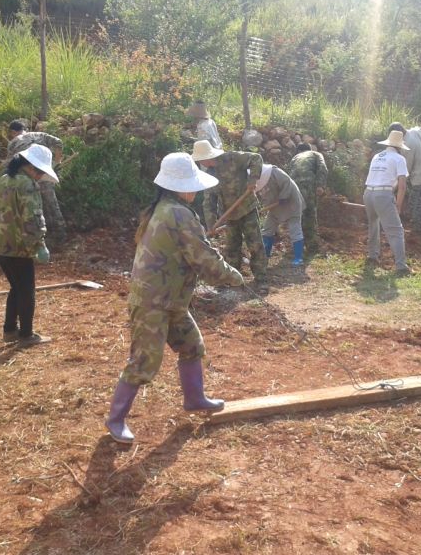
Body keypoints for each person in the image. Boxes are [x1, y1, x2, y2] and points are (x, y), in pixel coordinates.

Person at [105, 152, 244, 444]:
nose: (196, 190)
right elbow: (204, 259)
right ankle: (115, 419)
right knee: (144, 362)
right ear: (181, 186)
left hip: (170, 299)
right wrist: (233, 276)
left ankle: (194, 399)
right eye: (192, 185)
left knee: (192, 345)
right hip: (153, 302)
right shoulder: (179, 214)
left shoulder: (165, 208)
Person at [0, 144, 57, 347]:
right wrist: (39, 244)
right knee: (26, 290)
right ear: (32, 167)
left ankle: (10, 331)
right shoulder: (27, 184)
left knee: (16, 287)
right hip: (18, 246)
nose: (40, 176)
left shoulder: (4, 179)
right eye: (40, 172)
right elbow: (33, 218)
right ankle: (26, 335)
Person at [193, 140, 268, 282]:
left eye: (200, 160)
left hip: (247, 208)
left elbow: (256, 158)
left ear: (207, 157)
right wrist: (211, 225)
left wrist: (253, 179)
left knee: (255, 244)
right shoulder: (209, 175)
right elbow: (209, 202)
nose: (200, 162)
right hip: (229, 216)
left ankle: (261, 278)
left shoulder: (233, 158)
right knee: (232, 248)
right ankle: (234, 280)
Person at [7, 121, 67, 245]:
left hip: (28, 176)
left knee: (34, 206)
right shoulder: (39, 135)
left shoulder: (13, 143)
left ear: (13, 132)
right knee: (51, 203)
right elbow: (59, 142)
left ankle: (39, 237)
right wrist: (57, 162)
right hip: (44, 173)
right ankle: (60, 234)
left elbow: (10, 164)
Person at [363, 130, 412, 276]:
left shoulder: (377, 156)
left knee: (373, 225)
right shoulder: (399, 159)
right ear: (400, 146)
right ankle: (401, 267)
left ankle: (372, 256)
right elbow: (402, 186)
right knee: (396, 231)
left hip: (368, 193)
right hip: (383, 195)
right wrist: (398, 205)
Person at [388, 122, 421, 237]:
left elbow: (406, 171)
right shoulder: (415, 131)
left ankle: (419, 231)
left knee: (416, 204)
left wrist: (393, 187)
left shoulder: (407, 146)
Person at [255, 163, 306, 266]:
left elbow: (287, 182)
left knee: (294, 229)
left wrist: (283, 196)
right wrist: (262, 207)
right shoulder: (255, 181)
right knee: (267, 229)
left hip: (291, 203)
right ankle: (265, 255)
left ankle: (298, 258)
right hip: (274, 207)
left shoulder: (274, 172)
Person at [288, 143, 328, 253]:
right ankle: (312, 247)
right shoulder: (316, 154)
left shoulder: (294, 158)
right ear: (309, 149)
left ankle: (296, 245)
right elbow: (322, 168)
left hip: (294, 188)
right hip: (308, 186)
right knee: (310, 215)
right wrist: (320, 185)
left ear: (298, 151)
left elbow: (288, 175)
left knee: (298, 216)